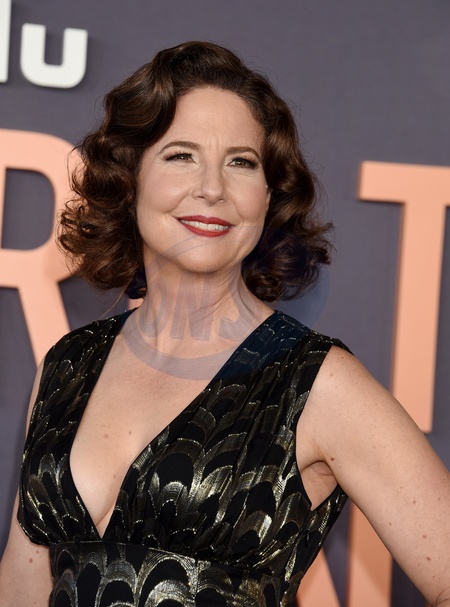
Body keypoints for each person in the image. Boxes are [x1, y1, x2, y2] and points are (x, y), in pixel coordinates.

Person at [0, 40, 449, 607]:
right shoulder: (68, 364)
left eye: (241, 162)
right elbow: (22, 584)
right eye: (180, 155)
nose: (212, 188)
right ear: (130, 179)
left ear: (268, 196)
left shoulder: (315, 383)